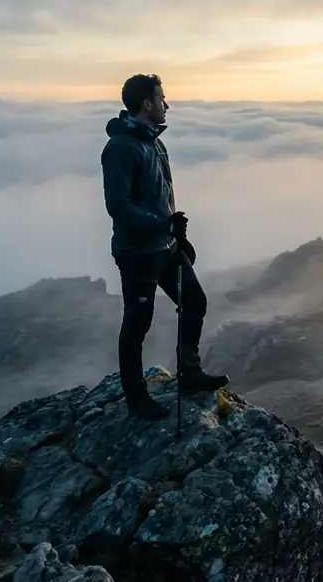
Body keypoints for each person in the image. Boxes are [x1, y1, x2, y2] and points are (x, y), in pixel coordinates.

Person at [101, 73, 229, 420]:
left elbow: (161, 198)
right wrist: (163, 225)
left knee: (195, 302)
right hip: (137, 253)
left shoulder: (154, 143)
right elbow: (118, 205)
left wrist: (177, 236)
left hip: (165, 246)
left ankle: (189, 374)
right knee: (137, 323)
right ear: (147, 104)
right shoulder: (121, 148)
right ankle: (136, 398)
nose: (166, 105)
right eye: (162, 99)